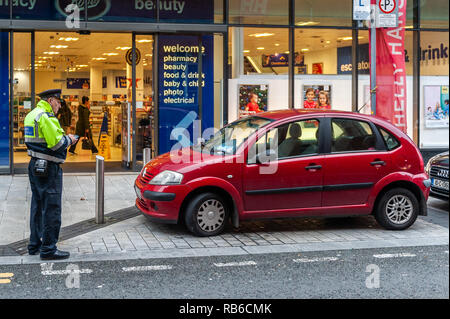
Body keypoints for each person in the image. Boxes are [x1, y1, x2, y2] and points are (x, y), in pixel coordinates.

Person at [24, 89, 78, 260]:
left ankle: (35, 244)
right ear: (51, 100)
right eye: (58, 102)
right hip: (49, 169)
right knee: (51, 208)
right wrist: (70, 139)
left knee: (37, 206)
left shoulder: (32, 114)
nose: (60, 106)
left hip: (35, 165)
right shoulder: (46, 117)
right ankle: (48, 249)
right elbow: (57, 144)